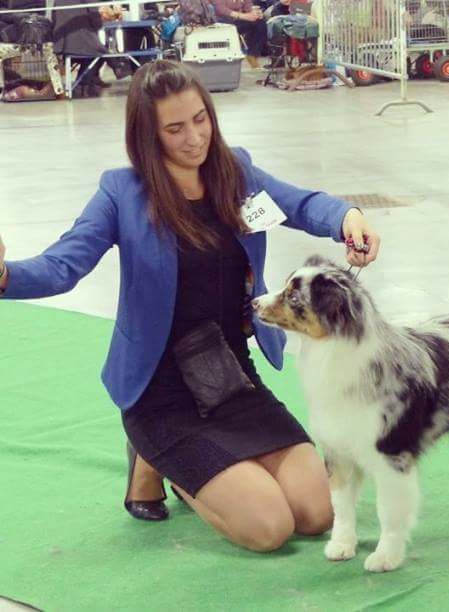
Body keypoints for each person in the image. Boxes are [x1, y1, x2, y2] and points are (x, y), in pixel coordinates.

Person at [0, 59, 380, 552]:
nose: (195, 138)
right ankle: (169, 467)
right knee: (269, 528)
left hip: (230, 377)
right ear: (148, 135)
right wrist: (5, 275)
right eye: (175, 129)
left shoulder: (236, 171)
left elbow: (303, 204)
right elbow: (61, 266)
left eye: (200, 119)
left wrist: (348, 218)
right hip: (161, 392)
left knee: (317, 513)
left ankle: (187, 468)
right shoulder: (121, 192)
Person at [52, 0, 125, 96]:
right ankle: (83, 84)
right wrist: (102, 22)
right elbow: (95, 18)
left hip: (62, 42)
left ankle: (96, 77)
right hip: (79, 38)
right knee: (99, 52)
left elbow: (54, 17)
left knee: (98, 49)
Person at [212, 0, 268, 68]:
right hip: (221, 21)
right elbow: (220, 9)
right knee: (229, 24)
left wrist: (255, 14)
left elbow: (248, 5)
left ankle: (252, 55)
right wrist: (242, 16)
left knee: (260, 22)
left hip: (238, 20)